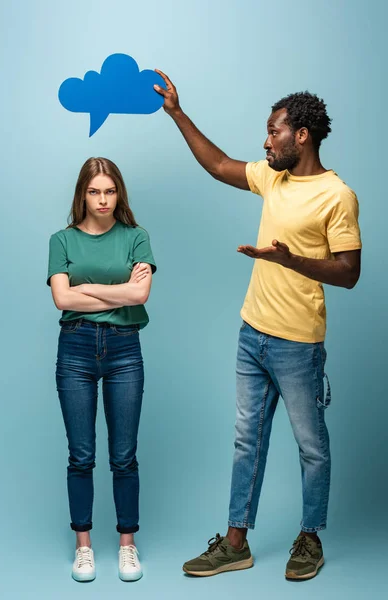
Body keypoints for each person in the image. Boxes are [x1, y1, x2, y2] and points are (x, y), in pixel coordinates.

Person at [154, 72, 361, 580]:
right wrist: (178, 114)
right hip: (253, 334)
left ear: (302, 136)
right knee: (248, 439)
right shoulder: (273, 177)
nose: (266, 141)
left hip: (298, 345)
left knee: (311, 446)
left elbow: (350, 273)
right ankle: (235, 543)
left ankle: (309, 538)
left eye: (274, 132)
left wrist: (292, 261)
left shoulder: (337, 196)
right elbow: (220, 164)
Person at [47, 157, 156, 582]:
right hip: (74, 348)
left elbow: (141, 294)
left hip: (125, 350)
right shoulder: (62, 240)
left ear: (119, 194)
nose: (103, 199)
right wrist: (119, 292)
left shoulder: (136, 237)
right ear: (83, 195)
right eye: (95, 191)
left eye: (110, 191)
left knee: (124, 456)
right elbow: (62, 301)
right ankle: (84, 547)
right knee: (81, 455)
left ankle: (127, 546)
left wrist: (85, 286)